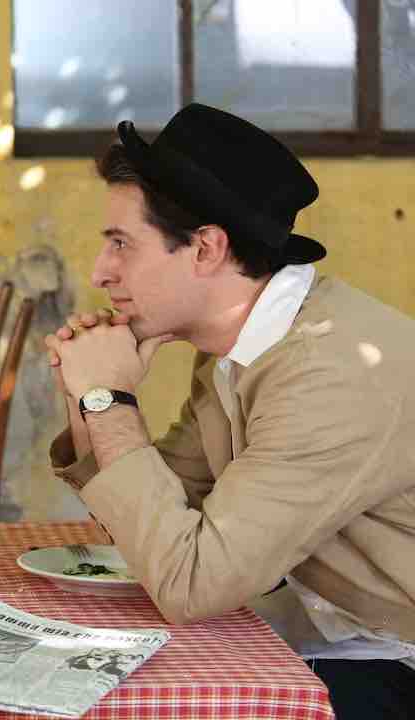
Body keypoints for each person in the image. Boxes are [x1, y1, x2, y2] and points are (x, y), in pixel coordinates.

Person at [44, 103, 415, 719]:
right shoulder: (238, 349)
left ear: (206, 248)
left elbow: (189, 583)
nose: (100, 272)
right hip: (332, 635)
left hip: (396, 663)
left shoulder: (325, 371)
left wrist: (108, 401)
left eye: (121, 244)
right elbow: (153, 531)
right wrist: (88, 401)